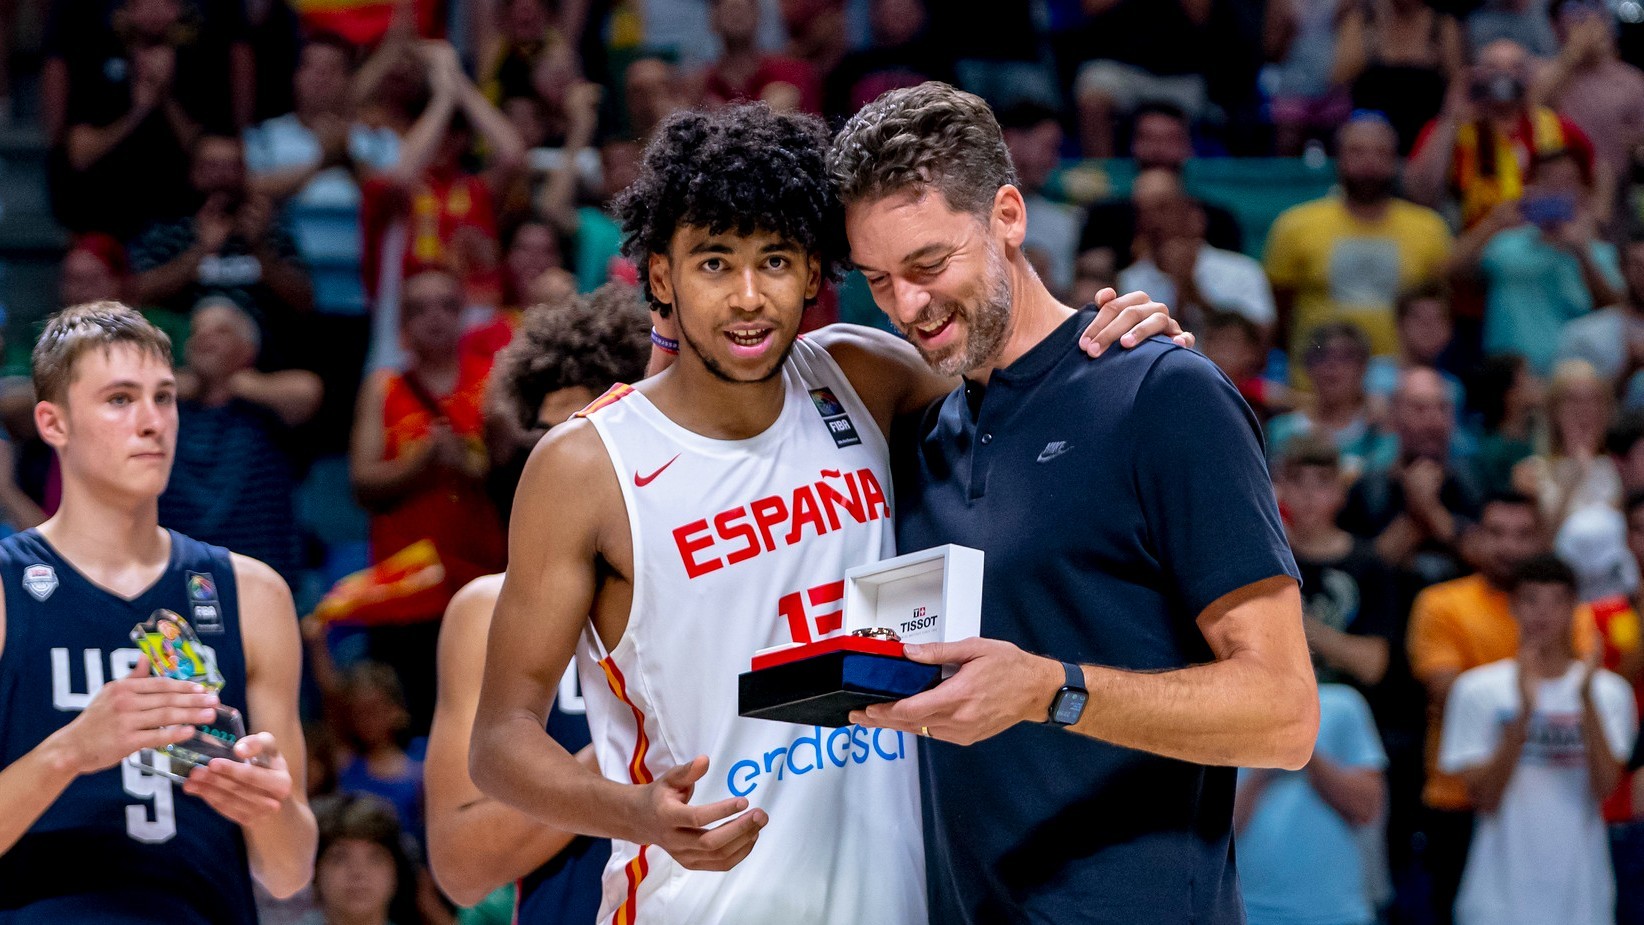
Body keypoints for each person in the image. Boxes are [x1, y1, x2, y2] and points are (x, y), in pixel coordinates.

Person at [468, 102, 1189, 923]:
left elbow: (1028, 393)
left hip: (900, 899)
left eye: (774, 261)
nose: (748, 298)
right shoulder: (586, 466)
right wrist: (632, 813)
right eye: (713, 263)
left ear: (814, 274)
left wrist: (1117, 348)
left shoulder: (867, 373)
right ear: (660, 277)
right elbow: (499, 744)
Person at [831, 81, 1317, 924]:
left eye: (929, 264)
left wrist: (1051, 690)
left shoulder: (1162, 391)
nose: (908, 305)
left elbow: (1285, 713)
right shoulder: (915, 435)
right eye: (878, 280)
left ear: (1008, 217)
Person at [0, 301, 315, 919]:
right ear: (53, 423)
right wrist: (73, 751)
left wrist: (267, 807)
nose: (153, 422)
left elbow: (289, 871)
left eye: (164, 397)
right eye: (120, 399)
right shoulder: (7, 588)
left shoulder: (253, 593)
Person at [425, 285, 650, 921]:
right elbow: (461, 866)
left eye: (591, 433)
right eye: (545, 443)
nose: (563, 464)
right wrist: (629, 737)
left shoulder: (724, 572)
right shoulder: (488, 609)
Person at [1406, 491, 1597, 925]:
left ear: (1542, 541)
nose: (1509, 547)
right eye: (1496, 533)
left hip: (1546, 802)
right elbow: (1452, 697)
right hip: (1458, 801)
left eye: (1523, 535)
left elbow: (1579, 691)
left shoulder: (1574, 614)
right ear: (1475, 537)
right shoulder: (1441, 604)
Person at [1438, 554, 1636, 925]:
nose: (1543, 613)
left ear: (1573, 606)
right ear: (1512, 606)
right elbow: (1483, 797)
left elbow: (1606, 787)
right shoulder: (1476, 690)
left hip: (1583, 896)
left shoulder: (1609, 693)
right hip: (1495, 897)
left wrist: (1586, 700)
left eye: (1557, 601)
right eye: (1531, 600)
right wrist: (1525, 714)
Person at [1264, 115, 1453, 374]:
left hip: (1403, 391)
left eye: (1380, 152)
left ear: (1395, 160)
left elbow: (1438, 311)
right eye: (1357, 151)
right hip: (1317, 383)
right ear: (1338, 157)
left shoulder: (1429, 229)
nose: (1369, 162)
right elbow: (1280, 312)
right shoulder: (1295, 226)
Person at [1234, 683, 1389, 925]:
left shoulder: (1344, 704)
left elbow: (1367, 808)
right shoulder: (1228, 713)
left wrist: (1305, 752)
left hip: (1339, 914)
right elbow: (1214, 833)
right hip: (1248, 913)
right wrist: (1262, 768)